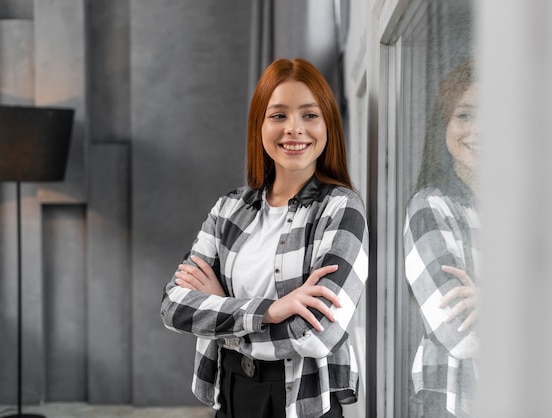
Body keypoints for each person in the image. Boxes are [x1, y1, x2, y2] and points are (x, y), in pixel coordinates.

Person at [160, 58, 368, 418]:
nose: (294, 129)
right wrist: (271, 310)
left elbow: (317, 335)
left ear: (328, 125)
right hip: (232, 393)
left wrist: (221, 310)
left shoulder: (341, 209)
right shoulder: (229, 208)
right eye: (278, 116)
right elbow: (174, 306)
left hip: (301, 403)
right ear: (259, 125)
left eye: (309, 115)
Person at [403, 59, 479, 418]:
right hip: (454, 403)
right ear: (443, 125)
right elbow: (461, 334)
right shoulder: (429, 207)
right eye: (465, 115)